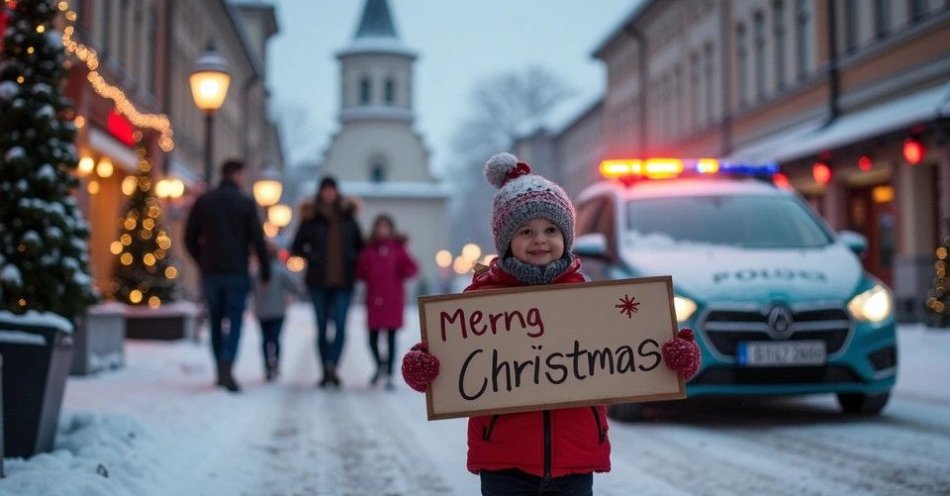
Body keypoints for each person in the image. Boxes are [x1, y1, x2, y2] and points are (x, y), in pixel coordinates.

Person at [401, 152, 701, 495]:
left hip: (574, 462)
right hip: (504, 462)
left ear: (567, 236)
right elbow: (444, 353)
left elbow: (636, 353)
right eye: (526, 231)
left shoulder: (591, 299)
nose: (540, 239)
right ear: (506, 240)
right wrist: (422, 367)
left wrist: (675, 358)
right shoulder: (482, 300)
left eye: (550, 229)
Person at [184, 159, 270, 393]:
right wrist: (265, 270)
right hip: (236, 272)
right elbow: (257, 240)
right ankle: (227, 362)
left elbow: (189, 238)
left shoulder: (204, 201)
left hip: (211, 272)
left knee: (215, 320)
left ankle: (219, 366)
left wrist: (202, 260)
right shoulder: (244, 203)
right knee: (235, 321)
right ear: (237, 175)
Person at [290, 176, 364, 388]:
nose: (328, 193)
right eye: (325, 190)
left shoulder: (348, 218)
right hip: (318, 281)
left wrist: (351, 258)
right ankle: (325, 368)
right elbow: (296, 246)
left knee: (340, 325)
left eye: (332, 190)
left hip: (343, 282)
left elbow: (361, 246)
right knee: (322, 327)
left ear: (336, 192)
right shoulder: (310, 217)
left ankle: (333, 366)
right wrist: (311, 255)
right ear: (320, 192)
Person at [356, 214, 419, 390]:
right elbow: (361, 270)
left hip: (392, 299)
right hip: (374, 299)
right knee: (372, 339)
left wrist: (404, 272)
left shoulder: (398, 249)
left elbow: (412, 267)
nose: (382, 230)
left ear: (391, 229)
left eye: (386, 227)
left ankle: (390, 373)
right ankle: (380, 365)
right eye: (379, 227)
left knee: (391, 338)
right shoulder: (369, 250)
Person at [252, 241, 306, 382]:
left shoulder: (257, 272)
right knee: (275, 339)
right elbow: (294, 286)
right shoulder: (280, 270)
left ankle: (267, 365)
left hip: (262, 311)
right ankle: (275, 364)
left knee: (265, 339)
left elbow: (250, 288)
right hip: (277, 311)